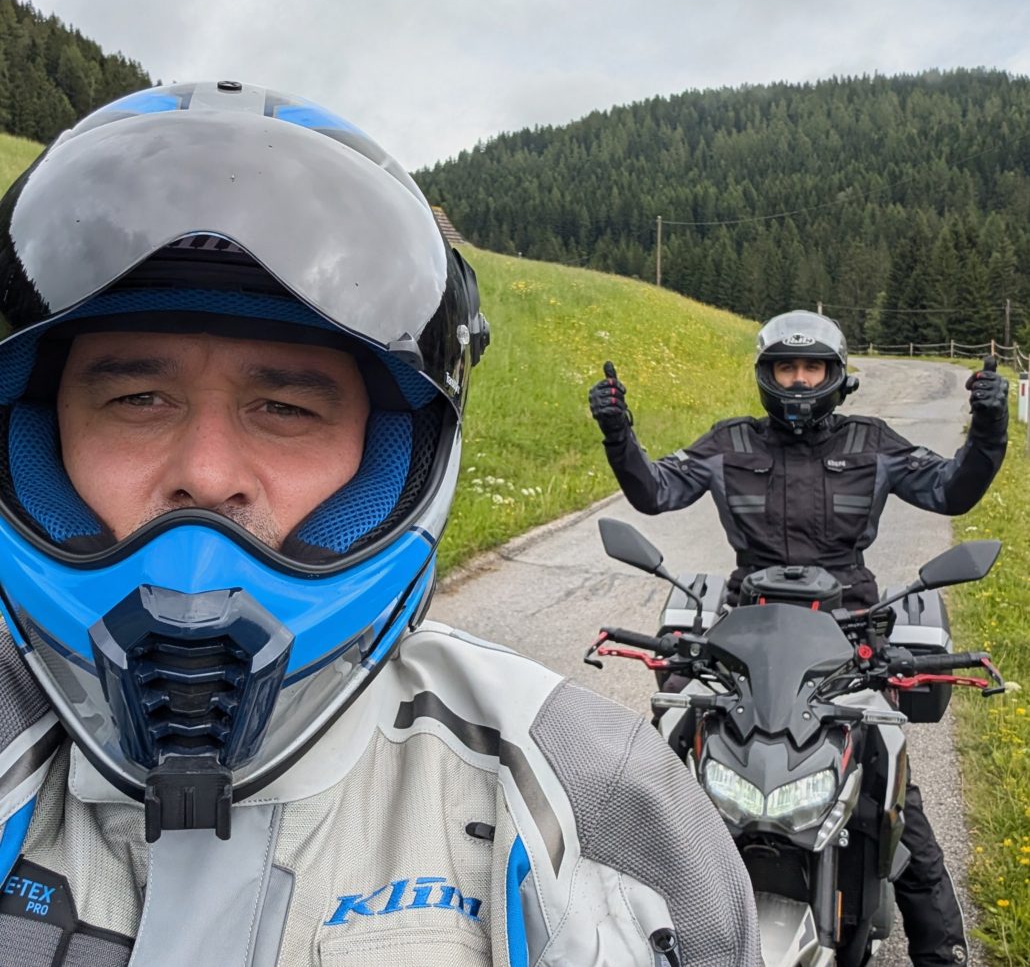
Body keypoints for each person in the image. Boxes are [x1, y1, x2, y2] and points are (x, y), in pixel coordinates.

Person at [0, 81, 760, 966]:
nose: (206, 476)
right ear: (37, 437)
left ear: (393, 455)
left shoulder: (596, 804)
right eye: (137, 398)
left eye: (284, 408)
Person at [589, 309, 1009, 966]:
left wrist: (989, 429)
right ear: (766, 374)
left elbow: (951, 492)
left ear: (837, 376)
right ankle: (624, 923)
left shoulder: (873, 444)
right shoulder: (730, 444)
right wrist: (619, 433)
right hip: (746, 635)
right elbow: (658, 493)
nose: (799, 379)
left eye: (812, 367)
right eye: (786, 366)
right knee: (670, 761)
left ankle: (941, 950)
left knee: (890, 789)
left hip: (848, 638)